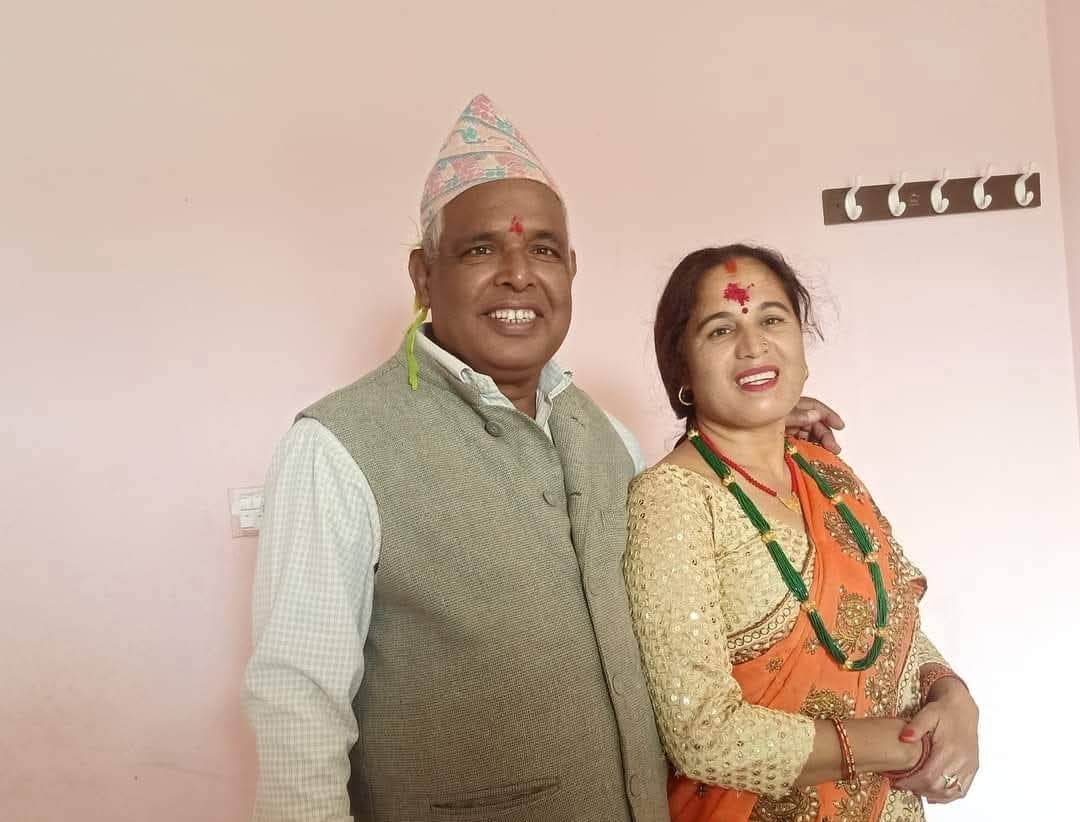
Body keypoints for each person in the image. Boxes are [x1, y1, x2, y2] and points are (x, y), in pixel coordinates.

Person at [244, 96, 842, 822]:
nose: (518, 275)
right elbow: (298, 706)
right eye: (480, 249)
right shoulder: (337, 447)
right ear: (423, 275)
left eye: (544, 250)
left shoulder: (609, 438)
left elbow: (687, 546)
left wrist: (762, 425)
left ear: (572, 270)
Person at [622, 244, 980, 822]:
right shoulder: (673, 500)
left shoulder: (829, 476)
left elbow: (894, 631)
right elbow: (702, 734)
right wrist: (904, 745)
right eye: (720, 330)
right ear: (681, 369)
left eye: (772, 319)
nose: (753, 345)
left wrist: (954, 698)